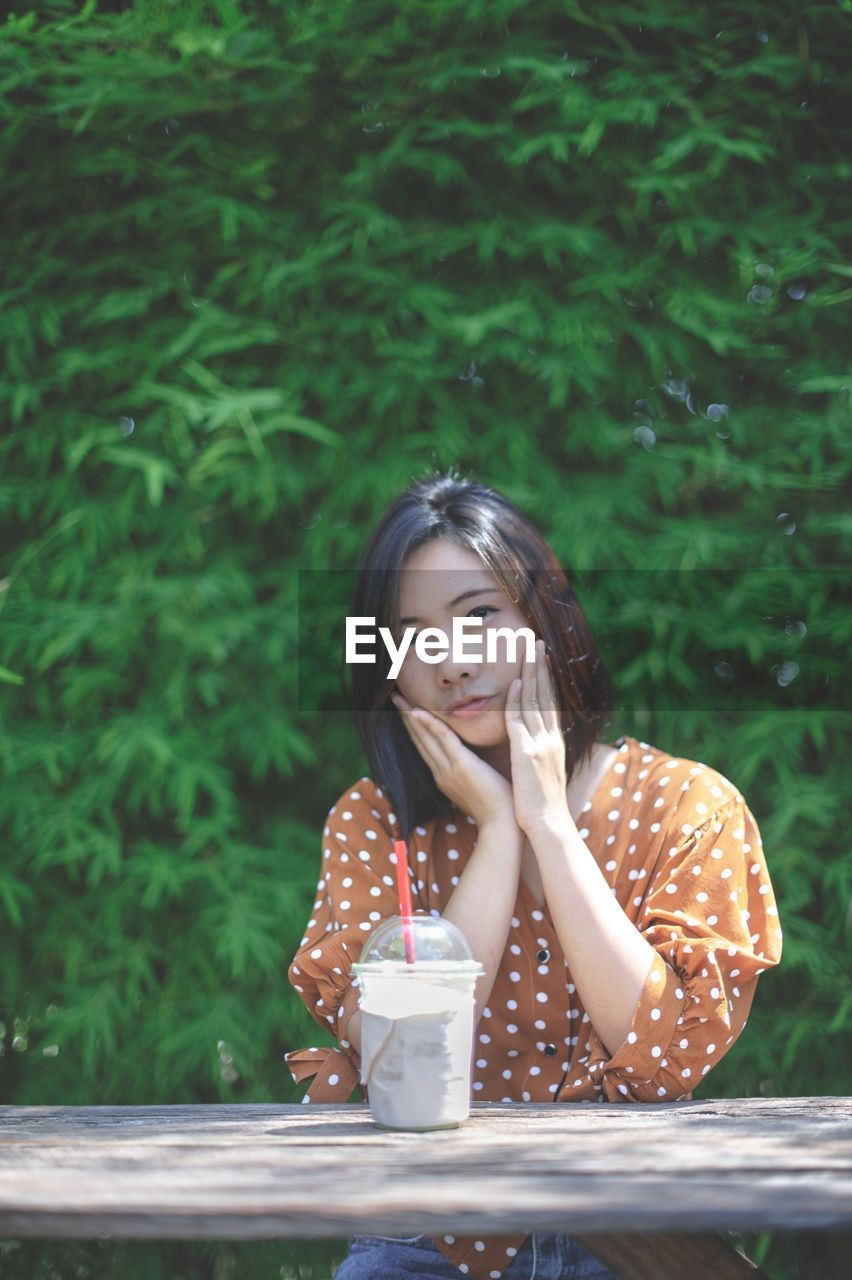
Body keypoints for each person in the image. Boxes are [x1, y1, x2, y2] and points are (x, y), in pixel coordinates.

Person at [286, 468, 782, 1280]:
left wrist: (547, 821)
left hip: (634, 1238)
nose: (450, 662)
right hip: (425, 1239)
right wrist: (494, 831)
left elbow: (660, 1058)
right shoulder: (374, 823)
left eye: (479, 615)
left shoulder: (687, 806)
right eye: (411, 636)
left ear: (544, 622)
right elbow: (402, 1054)